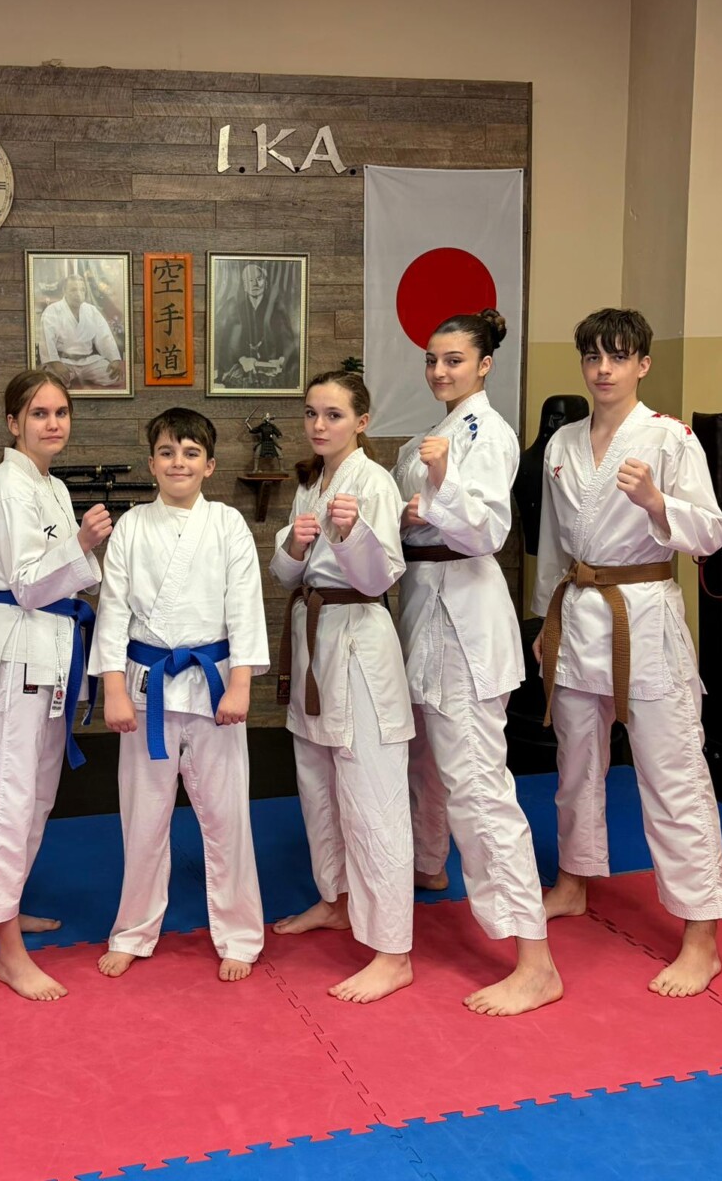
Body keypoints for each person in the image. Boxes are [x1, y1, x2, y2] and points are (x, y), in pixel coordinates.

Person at [533, 307, 722, 997]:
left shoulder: (670, 438)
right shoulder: (561, 443)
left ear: (642, 364)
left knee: (672, 774)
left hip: (643, 617)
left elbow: (709, 532)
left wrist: (654, 503)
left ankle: (701, 935)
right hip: (577, 612)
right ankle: (574, 881)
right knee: (575, 764)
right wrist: (544, 622)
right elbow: (553, 544)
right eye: (592, 357)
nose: (603, 369)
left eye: (618, 357)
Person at [394, 310, 563, 1016]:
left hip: (465, 614)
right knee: (427, 762)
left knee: (478, 784)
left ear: (484, 364)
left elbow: (488, 529)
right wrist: (409, 510)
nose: (439, 371)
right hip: (424, 603)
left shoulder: (487, 434)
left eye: (454, 360)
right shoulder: (424, 437)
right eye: (432, 360)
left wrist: (437, 488)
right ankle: (429, 865)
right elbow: (405, 521)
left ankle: (534, 959)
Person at [91, 408, 269, 982]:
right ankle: (132, 931)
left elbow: (245, 606)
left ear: (209, 465)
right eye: (167, 452)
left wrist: (240, 684)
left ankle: (240, 934)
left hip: (214, 686)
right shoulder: (131, 528)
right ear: (151, 463)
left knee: (227, 816)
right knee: (142, 818)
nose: (178, 463)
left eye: (191, 453)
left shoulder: (228, 525)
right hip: (147, 687)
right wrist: (113, 689)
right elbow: (113, 611)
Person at [269, 370, 416, 1003]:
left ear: (361, 421)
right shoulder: (310, 484)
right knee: (318, 784)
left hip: (359, 636)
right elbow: (283, 575)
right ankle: (336, 898)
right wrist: (294, 547)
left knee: (372, 794)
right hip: (314, 636)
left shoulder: (374, 482)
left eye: (333, 414)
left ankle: (393, 950)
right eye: (311, 413)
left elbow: (382, 575)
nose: (319, 425)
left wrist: (351, 534)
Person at [0, 369, 112, 1000]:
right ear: (13, 423)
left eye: (61, 412)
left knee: (37, 794)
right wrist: (81, 544)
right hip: (16, 653)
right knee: (11, 794)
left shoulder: (49, 485)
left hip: (49, 651)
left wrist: (86, 553)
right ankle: (7, 949)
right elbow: (27, 584)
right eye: (39, 413)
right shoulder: (7, 489)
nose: (53, 423)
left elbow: (65, 574)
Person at [217, 263, 297, 389]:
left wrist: (281, 360)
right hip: (244, 365)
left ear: (265, 283)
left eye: (259, 279)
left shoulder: (277, 309)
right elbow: (226, 344)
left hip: (272, 366)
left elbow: (288, 341)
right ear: (245, 286)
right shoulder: (236, 309)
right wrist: (242, 359)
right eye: (250, 281)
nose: (255, 284)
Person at [39, 274, 125, 388]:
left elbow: (105, 337)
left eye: (82, 289)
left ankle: (82, 376)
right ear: (64, 291)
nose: (78, 294)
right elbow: (46, 340)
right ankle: (64, 374)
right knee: (53, 382)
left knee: (116, 378)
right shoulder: (52, 310)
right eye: (73, 290)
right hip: (63, 361)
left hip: (89, 362)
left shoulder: (91, 310)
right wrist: (55, 363)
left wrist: (114, 359)